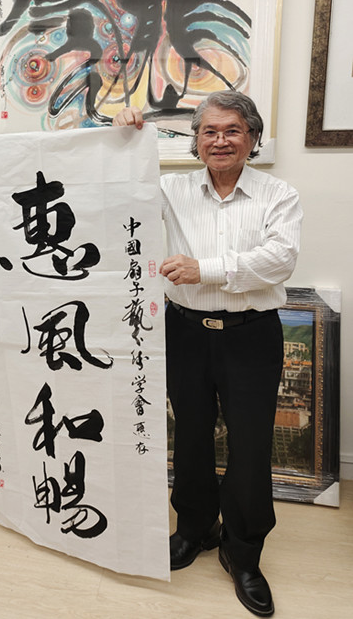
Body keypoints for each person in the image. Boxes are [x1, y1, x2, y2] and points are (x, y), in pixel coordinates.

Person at [113, 91, 302, 617]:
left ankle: (244, 553)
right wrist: (121, 135)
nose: (220, 141)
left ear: (252, 138)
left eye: (232, 130)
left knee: (250, 445)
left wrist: (206, 269)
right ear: (195, 141)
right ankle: (195, 528)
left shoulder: (279, 194)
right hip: (184, 331)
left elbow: (280, 259)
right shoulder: (169, 189)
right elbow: (112, 194)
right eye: (209, 132)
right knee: (190, 435)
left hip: (251, 334)